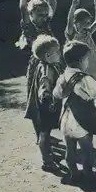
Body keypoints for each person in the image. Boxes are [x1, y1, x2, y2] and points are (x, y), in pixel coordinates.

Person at [53, 41, 96, 185]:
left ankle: (74, 174)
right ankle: (89, 175)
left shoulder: (62, 76)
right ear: (81, 60)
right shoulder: (85, 78)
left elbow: (57, 95)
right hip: (81, 122)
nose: (88, 62)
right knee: (87, 151)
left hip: (65, 120)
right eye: (87, 59)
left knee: (70, 150)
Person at [15, 0, 58, 111]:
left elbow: (53, 4)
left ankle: (52, 112)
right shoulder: (29, 26)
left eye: (45, 14)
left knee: (54, 87)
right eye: (40, 14)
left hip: (53, 60)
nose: (44, 17)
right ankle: (37, 116)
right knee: (35, 89)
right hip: (37, 63)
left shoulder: (46, 23)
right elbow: (22, 7)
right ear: (31, 13)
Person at [24, 35, 63, 172]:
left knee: (45, 133)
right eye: (57, 51)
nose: (60, 53)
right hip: (44, 108)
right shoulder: (47, 70)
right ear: (48, 55)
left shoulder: (47, 65)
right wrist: (50, 101)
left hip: (44, 107)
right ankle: (47, 161)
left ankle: (49, 156)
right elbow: (44, 90)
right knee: (44, 134)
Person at [65, 0, 96, 82]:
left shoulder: (88, 33)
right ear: (76, 23)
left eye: (89, 22)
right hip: (82, 72)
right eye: (85, 22)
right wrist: (73, 6)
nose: (88, 25)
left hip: (94, 70)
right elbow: (69, 22)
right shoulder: (72, 35)